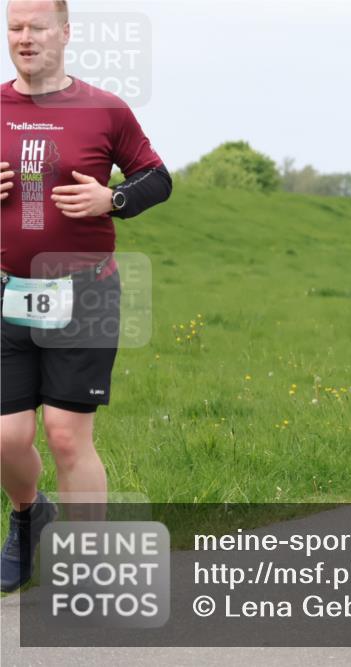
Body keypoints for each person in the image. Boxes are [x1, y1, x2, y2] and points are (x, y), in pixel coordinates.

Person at [1, 0, 172, 592]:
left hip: (85, 291)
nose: (25, 38)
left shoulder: (103, 107)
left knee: (67, 435)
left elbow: (157, 177)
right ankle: (28, 514)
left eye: (37, 27)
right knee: (7, 437)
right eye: (14, 28)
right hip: (6, 295)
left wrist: (114, 200)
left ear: (65, 33)